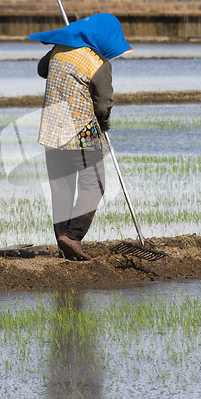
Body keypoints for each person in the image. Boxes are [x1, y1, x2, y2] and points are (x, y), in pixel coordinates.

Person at [29, 13, 132, 261]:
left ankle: (63, 240)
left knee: (61, 189)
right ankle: (73, 237)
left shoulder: (58, 51)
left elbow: (42, 70)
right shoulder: (99, 63)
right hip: (81, 134)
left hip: (52, 132)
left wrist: (65, 40)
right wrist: (105, 126)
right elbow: (103, 106)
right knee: (94, 185)